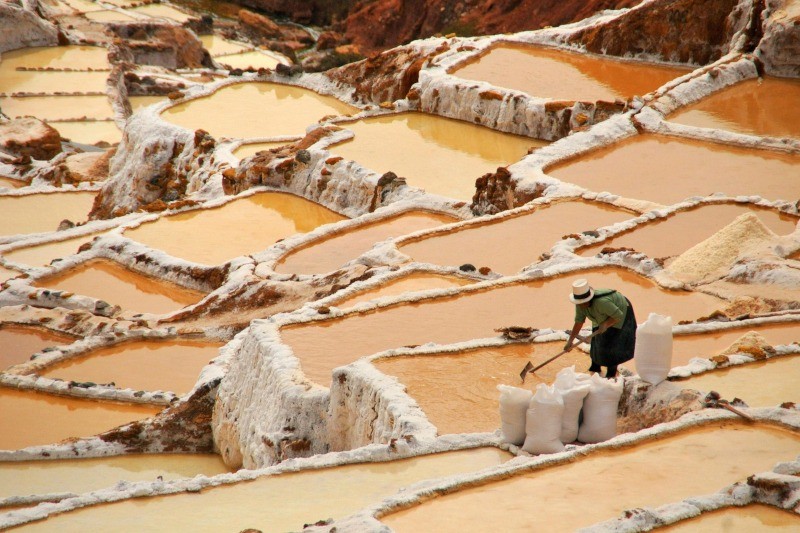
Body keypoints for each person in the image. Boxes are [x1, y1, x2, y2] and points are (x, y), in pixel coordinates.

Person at [563, 279, 637, 378]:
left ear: (589, 298)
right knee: (597, 340)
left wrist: (606, 324)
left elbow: (618, 315)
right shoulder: (580, 304)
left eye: (584, 302)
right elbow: (578, 322)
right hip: (601, 315)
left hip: (620, 311)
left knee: (612, 344)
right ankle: (595, 367)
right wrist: (570, 341)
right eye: (580, 303)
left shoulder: (602, 303)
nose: (582, 306)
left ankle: (611, 374)